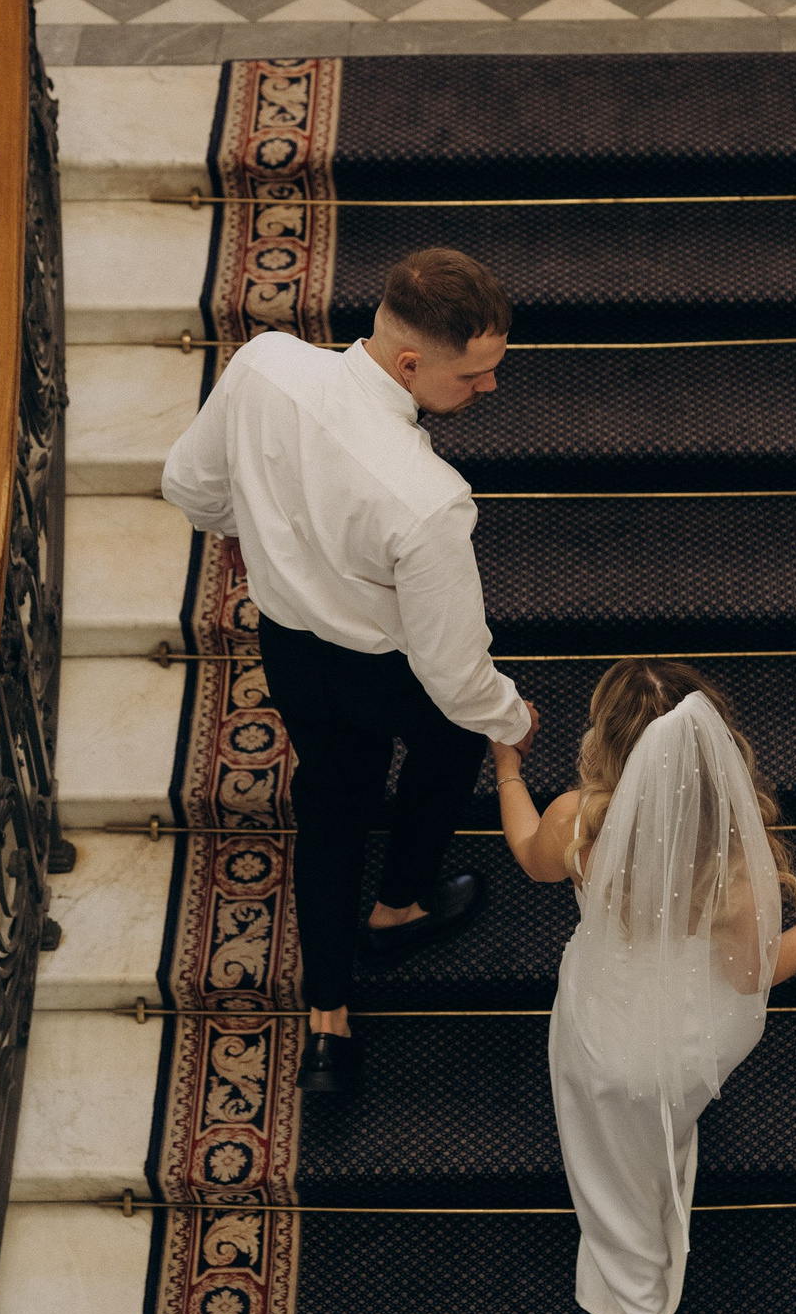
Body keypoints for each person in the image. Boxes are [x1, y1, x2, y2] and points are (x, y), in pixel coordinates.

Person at [161, 247, 537, 1095]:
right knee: (453, 744)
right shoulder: (429, 498)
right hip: (389, 670)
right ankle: (400, 906)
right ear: (409, 363)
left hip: (293, 652)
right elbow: (452, 670)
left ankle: (327, 1022)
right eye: (473, 374)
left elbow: (188, 485)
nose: (490, 387)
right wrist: (513, 719)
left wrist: (253, 531)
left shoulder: (264, 363)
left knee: (332, 804)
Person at [494, 659, 796, 1314]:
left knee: (609, 1169)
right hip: (685, 1042)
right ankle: (665, 1158)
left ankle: (641, 1309)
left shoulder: (578, 822)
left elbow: (530, 855)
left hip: (602, 1030)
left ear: (609, 743)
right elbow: (757, 974)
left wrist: (507, 771)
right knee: (661, 1125)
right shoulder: (731, 856)